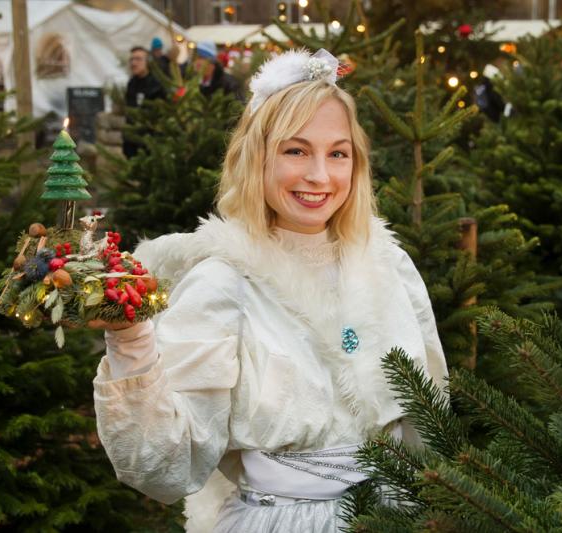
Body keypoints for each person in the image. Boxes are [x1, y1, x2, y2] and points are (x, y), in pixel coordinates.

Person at [91, 48, 448, 532]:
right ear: (256, 158)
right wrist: (130, 341)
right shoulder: (224, 283)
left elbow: (433, 422)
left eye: (337, 153)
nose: (320, 176)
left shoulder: (390, 266)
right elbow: (164, 464)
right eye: (296, 150)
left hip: (396, 518)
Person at [123, 46, 166, 158]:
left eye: (138, 59)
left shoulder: (156, 85)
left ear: (148, 62)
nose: (133, 63)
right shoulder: (132, 83)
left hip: (150, 142)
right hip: (132, 142)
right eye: (132, 59)